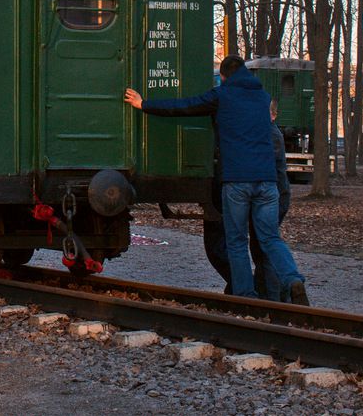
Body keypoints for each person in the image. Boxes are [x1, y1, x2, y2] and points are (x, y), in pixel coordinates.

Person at [124, 55, 308, 304]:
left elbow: (184, 106)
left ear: (223, 76)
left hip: (237, 182)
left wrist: (143, 104)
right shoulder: (263, 98)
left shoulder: (221, 96)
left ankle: (244, 297)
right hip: (267, 183)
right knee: (270, 238)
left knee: (236, 240)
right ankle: (293, 279)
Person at [249, 99, 292, 300]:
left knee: (265, 246)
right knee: (260, 246)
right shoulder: (268, 133)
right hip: (272, 195)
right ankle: (267, 291)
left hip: (275, 196)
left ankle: (276, 295)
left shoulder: (272, 135)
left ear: (273, 115)